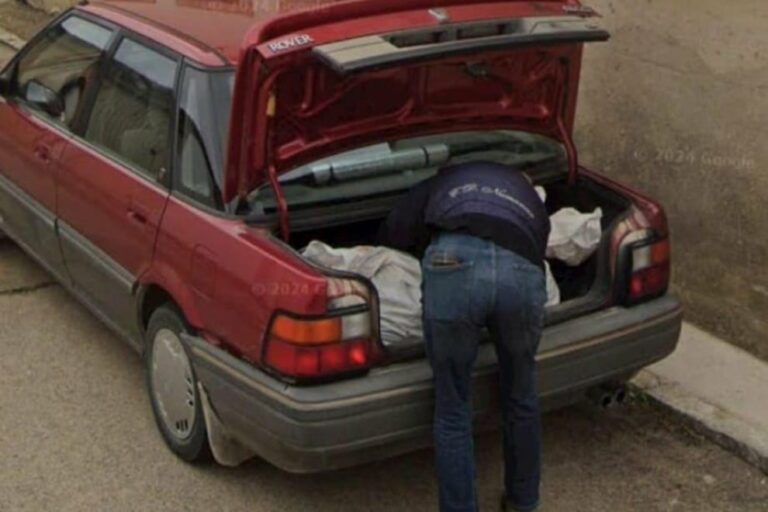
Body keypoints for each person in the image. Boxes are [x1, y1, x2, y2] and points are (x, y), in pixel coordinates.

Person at [379, 161, 550, 512]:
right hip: (520, 268)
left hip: (452, 262)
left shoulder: (442, 181)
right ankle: (523, 502)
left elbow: (396, 229)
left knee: (453, 406)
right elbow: (540, 244)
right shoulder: (526, 192)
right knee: (521, 394)